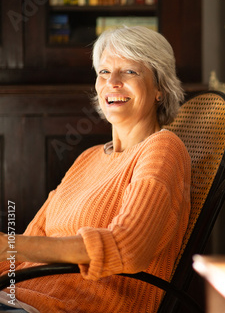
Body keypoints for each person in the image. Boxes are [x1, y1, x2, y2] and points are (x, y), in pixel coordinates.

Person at [0, 26, 191, 312]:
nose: (112, 82)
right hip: (21, 297)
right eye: (103, 72)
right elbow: (31, 239)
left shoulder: (162, 149)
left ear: (160, 89)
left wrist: (11, 246)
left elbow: (127, 246)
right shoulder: (88, 158)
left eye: (129, 72)